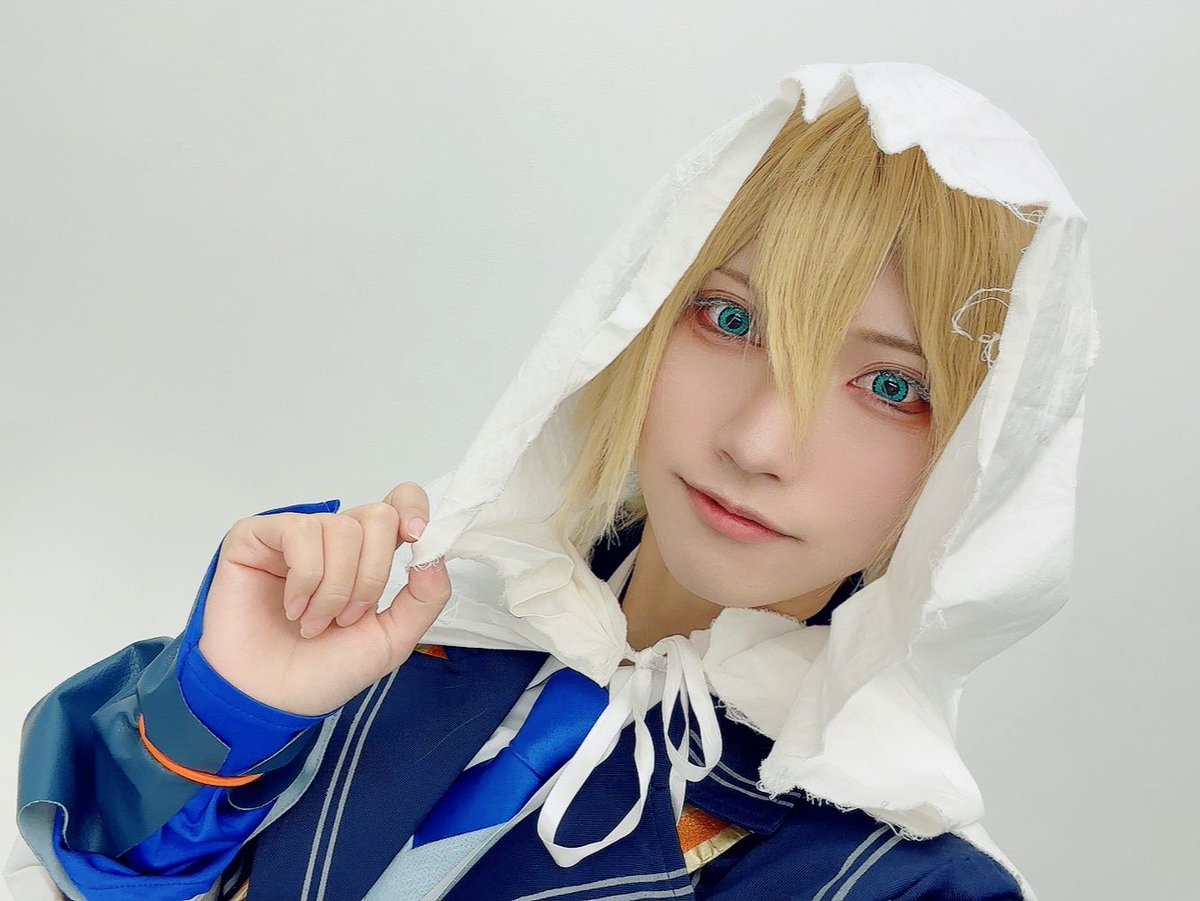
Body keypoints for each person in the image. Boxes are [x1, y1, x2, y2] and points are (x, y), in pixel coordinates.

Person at [6, 61, 1100, 901]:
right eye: (730, 318)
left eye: (891, 387)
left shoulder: (900, 882)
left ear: (978, 463)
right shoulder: (414, 628)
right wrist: (219, 716)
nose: (760, 441)